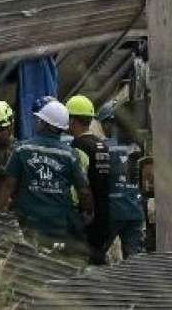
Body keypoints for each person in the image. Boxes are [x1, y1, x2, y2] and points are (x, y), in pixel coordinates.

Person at [1, 98, 94, 258]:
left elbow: (8, 185)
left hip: (27, 224)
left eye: (40, 120)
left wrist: (0, 214)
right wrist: (88, 213)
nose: (37, 122)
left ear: (45, 124)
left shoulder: (22, 149)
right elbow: (84, 190)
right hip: (58, 227)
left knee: (27, 260)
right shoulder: (70, 155)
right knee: (56, 261)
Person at [65, 94, 113, 264]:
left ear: (72, 121)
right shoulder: (102, 145)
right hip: (104, 213)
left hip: (87, 217)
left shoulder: (78, 147)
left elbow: (79, 184)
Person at [98, 106, 150, 262]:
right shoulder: (139, 146)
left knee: (97, 253)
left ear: (109, 123)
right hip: (135, 211)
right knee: (134, 259)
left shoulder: (104, 147)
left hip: (113, 211)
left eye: (103, 124)